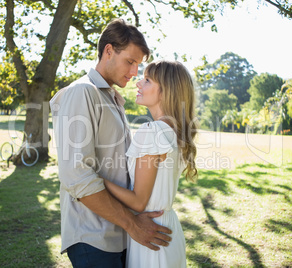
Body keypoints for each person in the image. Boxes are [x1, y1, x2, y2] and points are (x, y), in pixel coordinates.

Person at [49, 19, 172, 268]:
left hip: (119, 234)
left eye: (138, 64)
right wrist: (132, 223)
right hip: (93, 238)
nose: (135, 71)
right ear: (108, 51)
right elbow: (76, 175)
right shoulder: (82, 92)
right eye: (130, 61)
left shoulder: (111, 98)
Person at [104, 60, 198, 267]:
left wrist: (97, 179)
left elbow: (138, 202)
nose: (138, 83)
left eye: (147, 80)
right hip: (167, 228)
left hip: (152, 234)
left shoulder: (152, 131)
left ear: (165, 92)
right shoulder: (176, 132)